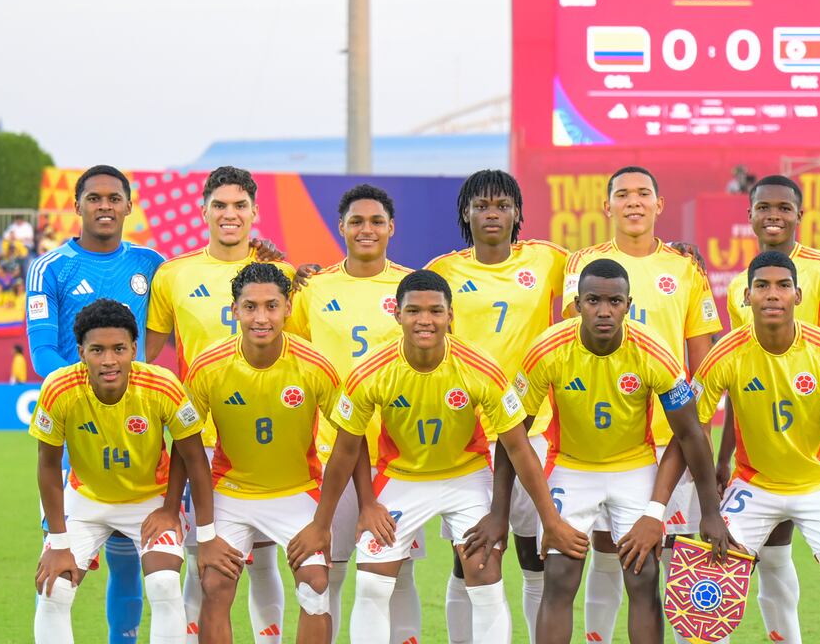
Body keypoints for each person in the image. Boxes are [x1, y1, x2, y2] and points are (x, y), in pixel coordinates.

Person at [287, 270, 589, 644]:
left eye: (435, 311)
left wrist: (535, 518)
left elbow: (517, 447)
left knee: (484, 575)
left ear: (450, 316)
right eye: (414, 311)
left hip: (465, 476)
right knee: (371, 584)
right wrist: (348, 512)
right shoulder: (370, 373)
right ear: (397, 315)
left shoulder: (482, 369)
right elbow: (347, 449)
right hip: (401, 478)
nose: (424, 320)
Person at [515, 259, 735, 644]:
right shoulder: (546, 349)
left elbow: (690, 434)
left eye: (614, 301)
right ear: (577, 303)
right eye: (593, 300)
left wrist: (701, 512)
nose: (603, 310)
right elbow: (513, 437)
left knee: (644, 573)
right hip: (571, 467)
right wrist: (539, 516)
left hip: (633, 467)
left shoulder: (654, 350)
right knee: (560, 574)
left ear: (628, 304)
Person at [562, 166, 722, 643]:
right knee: (609, 552)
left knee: (676, 558)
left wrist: (704, 447)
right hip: (609, 437)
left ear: (659, 205)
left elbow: (705, 367)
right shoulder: (582, 263)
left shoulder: (686, 266)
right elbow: (575, 342)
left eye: (643, 193)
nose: (634, 202)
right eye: (623, 194)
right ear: (606, 206)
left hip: (672, 438)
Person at [144, 165, 295, 643]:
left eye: (239, 206)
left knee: (266, 556)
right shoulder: (173, 275)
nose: (230, 215)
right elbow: (146, 357)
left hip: (267, 438)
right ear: (203, 210)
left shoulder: (284, 274)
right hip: (199, 441)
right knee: (202, 554)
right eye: (220, 206)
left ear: (255, 212)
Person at [694, 250, 820, 643]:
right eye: (761, 286)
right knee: (706, 582)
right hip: (755, 484)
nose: (772, 294)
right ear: (746, 297)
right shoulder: (723, 354)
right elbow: (696, 431)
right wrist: (709, 507)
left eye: (782, 286)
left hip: (818, 483)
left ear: (798, 295)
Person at [424, 169, 568, 644]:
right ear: (465, 213)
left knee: (533, 555)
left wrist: (680, 251)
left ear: (517, 214)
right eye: (481, 205)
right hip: (466, 433)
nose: (492, 213)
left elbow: (606, 266)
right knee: (471, 559)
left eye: (502, 205)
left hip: (533, 429)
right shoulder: (444, 270)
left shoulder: (548, 260)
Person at [25, 165, 166, 644]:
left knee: (130, 562)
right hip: (76, 430)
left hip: (138, 425)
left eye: (113, 197)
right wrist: (88, 392)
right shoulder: (50, 267)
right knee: (60, 567)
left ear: (129, 206)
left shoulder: (152, 265)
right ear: (77, 205)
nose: (104, 205)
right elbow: (42, 351)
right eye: (93, 197)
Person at [30, 298, 224, 644]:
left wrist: (171, 509)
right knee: (54, 589)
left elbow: (195, 458)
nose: (109, 360)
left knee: (164, 583)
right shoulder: (59, 389)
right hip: (87, 501)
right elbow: (47, 466)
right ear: (81, 351)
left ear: (134, 348)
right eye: (97, 350)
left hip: (148, 501)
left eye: (119, 348)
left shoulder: (162, 385)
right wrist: (58, 543)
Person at [284, 183, 423, 642]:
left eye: (376, 221)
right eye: (357, 221)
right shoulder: (313, 288)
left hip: (395, 452)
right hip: (331, 447)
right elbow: (298, 358)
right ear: (341, 227)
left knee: (395, 574)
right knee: (333, 571)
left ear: (392, 228)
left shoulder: (411, 287)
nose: (367, 229)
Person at [174, 263, 337, 642]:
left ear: (287, 308)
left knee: (315, 586)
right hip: (231, 493)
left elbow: (351, 437)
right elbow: (185, 446)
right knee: (214, 582)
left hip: (298, 491)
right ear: (234, 310)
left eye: (271, 306)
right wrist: (203, 530)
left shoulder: (314, 364)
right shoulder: (207, 366)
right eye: (250, 307)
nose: (260, 318)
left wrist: (322, 524)